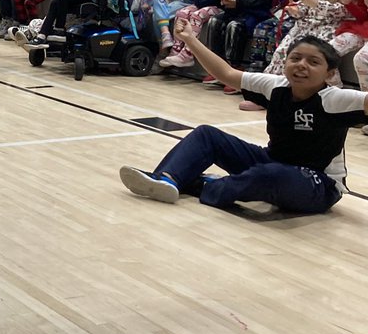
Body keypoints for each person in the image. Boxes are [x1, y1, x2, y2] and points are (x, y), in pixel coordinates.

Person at [120, 24, 362, 215]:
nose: (301, 65)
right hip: (272, 161)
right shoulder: (275, 86)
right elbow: (226, 73)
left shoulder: (335, 99)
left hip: (318, 183)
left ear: (330, 74)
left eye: (313, 62)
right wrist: (190, 40)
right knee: (207, 135)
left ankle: (206, 186)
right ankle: (166, 179)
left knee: (270, 175)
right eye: (295, 58)